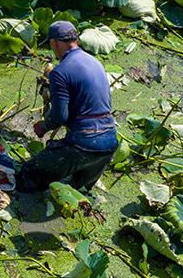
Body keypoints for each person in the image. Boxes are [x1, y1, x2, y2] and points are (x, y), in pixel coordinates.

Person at [16, 20, 118, 194]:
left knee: (27, 177)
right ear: (76, 40)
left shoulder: (60, 72)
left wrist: (43, 127)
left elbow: (59, 117)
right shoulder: (95, 62)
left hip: (83, 146)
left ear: (54, 42)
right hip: (109, 145)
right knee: (78, 192)